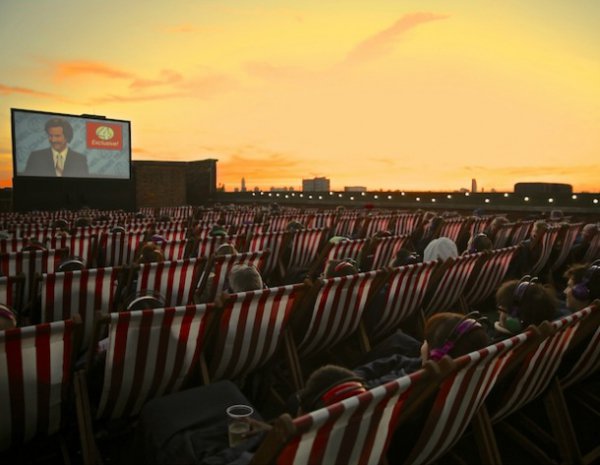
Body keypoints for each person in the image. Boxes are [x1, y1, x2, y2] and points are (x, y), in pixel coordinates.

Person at [355, 312, 490, 388]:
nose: (423, 343)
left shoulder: (403, 382)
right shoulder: (472, 379)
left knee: (399, 342)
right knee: (400, 341)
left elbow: (361, 391)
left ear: (435, 355)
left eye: (426, 340)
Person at [24, 117, 89, 177]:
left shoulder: (80, 160)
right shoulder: (36, 157)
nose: (53, 140)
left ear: (67, 136)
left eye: (57, 136)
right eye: (50, 136)